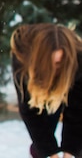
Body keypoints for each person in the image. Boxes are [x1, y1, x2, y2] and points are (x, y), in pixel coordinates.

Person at [10, 23, 82, 158]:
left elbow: (77, 109)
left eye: (60, 62)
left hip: (69, 78)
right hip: (38, 84)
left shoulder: (78, 58)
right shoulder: (22, 60)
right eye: (53, 63)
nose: (56, 68)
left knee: (77, 143)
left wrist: (70, 153)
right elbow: (29, 110)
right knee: (43, 138)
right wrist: (51, 153)